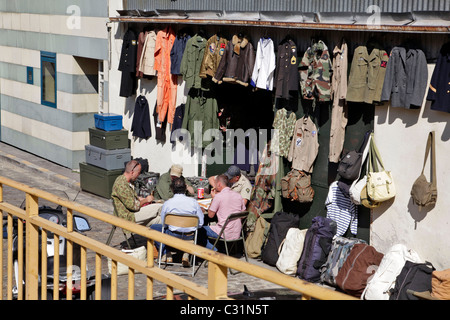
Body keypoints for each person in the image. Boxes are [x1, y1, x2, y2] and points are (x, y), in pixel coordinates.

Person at [150, 177, 204, 267]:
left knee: (153, 228)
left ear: (172, 189)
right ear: (185, 188)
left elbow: (164, 223)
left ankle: (166, 253)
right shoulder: (193, 202)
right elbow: (200, 223)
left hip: (173, 235)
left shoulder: (168, 203)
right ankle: (187, 252)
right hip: (189, 236)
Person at [200, 174, 246, 251]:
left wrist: (213, 198)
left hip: (224, 233)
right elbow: (243, 214)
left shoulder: (219, 197)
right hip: (237, 233)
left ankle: (214, 251)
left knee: (198, 230)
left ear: (219, 184)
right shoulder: (238, 195)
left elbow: (210, 215)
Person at [111, 160, 162, 227]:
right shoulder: (122, 185)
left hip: (130, 214)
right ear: (132, 172)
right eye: (138, 173)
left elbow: (129, 198)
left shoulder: (123, 180)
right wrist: (146, 200)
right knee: (160, 207)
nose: (138, 175)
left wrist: (140, 199)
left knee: (159, 220)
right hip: (128, 217)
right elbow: (134, 207)